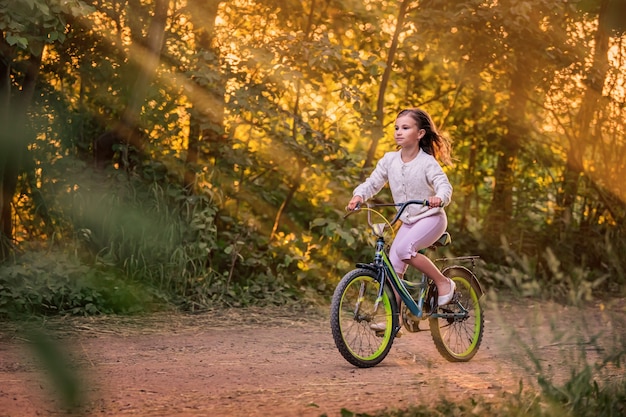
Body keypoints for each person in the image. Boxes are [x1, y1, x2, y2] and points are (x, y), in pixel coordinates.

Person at [346, 108, 455, 320]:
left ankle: (443, 282)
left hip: (431, 218)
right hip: (407, 222)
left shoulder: (427, 162)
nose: (398, 132)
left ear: (420, 133)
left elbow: (444, 185)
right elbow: (373, 182)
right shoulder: (389, 160)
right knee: (394, 269)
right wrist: (359, 195)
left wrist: (439, 198)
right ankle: (392, 321)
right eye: (396, 128)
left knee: (405, 250)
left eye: (405, 128)